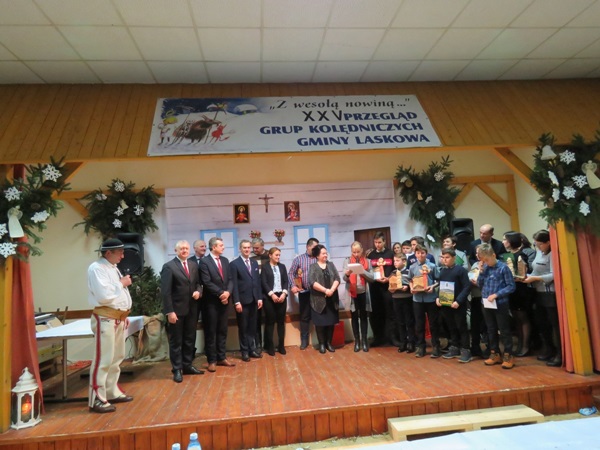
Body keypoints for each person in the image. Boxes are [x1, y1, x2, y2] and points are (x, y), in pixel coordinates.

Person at [87, 238, 134, 413]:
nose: (122, 256)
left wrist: (123, 314)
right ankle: (97, 399)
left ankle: (111, 391)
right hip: (105, 318)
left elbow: (117, 295)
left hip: (117, 317)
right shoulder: (97, 268)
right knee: (103, 359)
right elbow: (104, 296)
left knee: (116, 357)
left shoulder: (112, 267)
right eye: (120, 252)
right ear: (108, 253)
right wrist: (122, 283)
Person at [161, 240, 204, 383]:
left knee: (189, 339)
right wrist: (170, 312)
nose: (184, 251)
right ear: (176, 250)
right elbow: (166, 292)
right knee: (176, 341)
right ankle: (177, 369)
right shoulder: (169, 267)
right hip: (176, 311)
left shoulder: (193, 265)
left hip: (192, 309)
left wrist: (198, 292)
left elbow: (198, 284)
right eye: (182, 249)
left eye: (186, 248)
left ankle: (187, 365)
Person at [523, 230, 562, 367]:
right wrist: (526, 276)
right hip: (538, 292)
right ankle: (549, 349)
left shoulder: (553, 254)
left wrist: (536, 278)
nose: (538, 247)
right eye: (536, 244)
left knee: (554, 325)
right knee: (542, 323)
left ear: (548, 242)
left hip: (549, 292)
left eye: (540, 244)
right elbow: (535, 270)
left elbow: (553, 275)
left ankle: (560, 353)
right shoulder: (540, 252)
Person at [477, 243, 516, 369]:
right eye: (483, 261)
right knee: (491, 329)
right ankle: (495, 353)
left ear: (493, 255)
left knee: (504, 330)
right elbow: (479, 284)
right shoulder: (485, 268)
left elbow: (511, 286)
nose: (486, 263)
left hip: (500, 303)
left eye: (487, 260)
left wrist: (497, 294)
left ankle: (508, 355)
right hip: (486, 303)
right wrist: (481, 272)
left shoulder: (503, 268)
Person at [199, 237, 235, 372]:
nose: (223, 247)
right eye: (221, 245)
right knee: (211, 331)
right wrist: (221, 294)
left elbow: (230, 279)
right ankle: (212, 360)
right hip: (211, 303)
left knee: (222, 330)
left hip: (225, 301)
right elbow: (206, 282)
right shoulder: (204, 262)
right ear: (213, 247)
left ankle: (221, 357)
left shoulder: (225, 261)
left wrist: (228, 293)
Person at [436, 248, 472, 363]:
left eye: (447, 257)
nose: (444, 260)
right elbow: (441, 286)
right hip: (446, 304)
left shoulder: (461, 270)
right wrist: (438, 297)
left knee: (461, 326)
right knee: (451, 326)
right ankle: (455, 347)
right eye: (443, 257)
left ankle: (466, 349)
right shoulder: (442, 271)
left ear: (454, 258)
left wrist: (459, 301)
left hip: (457, 304)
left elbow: (467, 287)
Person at [230, 240, 263, 362]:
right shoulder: (234, 264)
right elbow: (234, 284)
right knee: (243, 327)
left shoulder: (254, 263)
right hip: (242, 301)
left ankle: (251, 349)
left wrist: (259, 298)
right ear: (240, 249)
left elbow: (257, 282)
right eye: (244, 247)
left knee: (252, 327)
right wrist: (236, 301)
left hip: (254, 300)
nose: (247, 249)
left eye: (249, 247)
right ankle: (244, 352)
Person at [501, 231, 532, 357]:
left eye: (505, 239)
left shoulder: (521, 255)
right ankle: (519, 344)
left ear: (511, 241)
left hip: (520, 289)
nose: (503, 242)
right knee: (516, 318)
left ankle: (525, 346)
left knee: (522, 317)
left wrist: (513, 278)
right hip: (511, 289)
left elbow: (523, 274)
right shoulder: (506, 255)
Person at [408, 244, 440, 358]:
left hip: (430, 298)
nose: (420, 255)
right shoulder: (412, 267)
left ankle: (436, 346)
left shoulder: (432, 266)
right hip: (417, 299)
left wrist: (433, 287)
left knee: (433, 324)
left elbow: (438, 280)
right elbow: (410, 280)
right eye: (418, 253)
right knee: (419, 324)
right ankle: (421, 346)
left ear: (426, 254)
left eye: (422, 253)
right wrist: (411, 288)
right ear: (415, 254)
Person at [309, 244, 341, 353]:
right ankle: (322, 344)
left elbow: (337, 278)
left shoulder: (331, 265)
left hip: (332, 299)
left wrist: (331, 290)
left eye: (326, 253)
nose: (325, 255)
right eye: (323, 253)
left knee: (331, 322)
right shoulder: (313, 267)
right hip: (318, 300)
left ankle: (329, 343)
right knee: (320, 323)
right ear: (317, 255)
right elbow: (312, 282)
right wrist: (325, 290)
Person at [342, 241, 374, 352]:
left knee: (364, 316)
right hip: (352, 293)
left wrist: (362, 271)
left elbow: (372, 277)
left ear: (362, 251)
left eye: (358, 252)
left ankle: (364, 340)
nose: (356, 254)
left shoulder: (367, 261)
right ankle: (357, 341)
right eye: (354, 252)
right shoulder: (347, 261)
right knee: (354, 316)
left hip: (364, 292)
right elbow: (344, 278)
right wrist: (347, 274)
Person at [288, 237, 319, 349]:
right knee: (304, 317)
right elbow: (291, 273)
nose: (316, 249)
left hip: (318, 293)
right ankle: (304, 341)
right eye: (314, 247)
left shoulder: (319, 258)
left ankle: (321, 341)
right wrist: (293, 285)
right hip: (304, 292)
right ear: (308, 247)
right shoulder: (299, 259)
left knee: (318, 316)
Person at [368, 231, 397, 347]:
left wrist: (388, 278)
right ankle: (378, 338)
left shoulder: (391, 254)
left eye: (379, 242)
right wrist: (376, 278)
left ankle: (392, 338)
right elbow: (369, 271)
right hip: (375, 288)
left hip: (388, 288)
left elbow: (395, 270)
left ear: (384, 242)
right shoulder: (371, 255)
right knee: (376, 313)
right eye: (375, 242)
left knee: (390, 312)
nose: (377, 245)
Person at [261, 247, 289, 356]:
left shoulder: (282, 267)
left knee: (281, 322)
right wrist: (271, 294)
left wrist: (284, 293)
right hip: (269, 298)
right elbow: (264, 282)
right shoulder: (265, 267)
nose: (278, 257)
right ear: (270, 255)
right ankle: (270, 346)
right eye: (276, 255)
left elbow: (286, 281)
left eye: (279, 255)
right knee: (270, 322)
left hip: (281, 296)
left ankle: (281, 346)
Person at [388, 253, 416, 353]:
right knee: (400, 321)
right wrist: (391, 289)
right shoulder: (393, 273)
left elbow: (412, 283)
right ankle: (403, 342)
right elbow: (390, 285)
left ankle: (411, 343)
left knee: (409, 321)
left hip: (406, 298)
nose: (395, 263)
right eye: (394, 261)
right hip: (396, 298)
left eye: (397, 261)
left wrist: (407, 287)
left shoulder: (408, 272)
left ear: (404, 261)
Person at [251, 237, 270, 351]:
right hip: (255, 291)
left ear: (263, 246)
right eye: (253, 248)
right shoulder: (250, 257)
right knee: (256, 319)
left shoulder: (269, 255)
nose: (255, 250)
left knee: (269, 318)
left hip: (268, 291)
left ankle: (268, 344)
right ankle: (258, 344)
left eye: (257, 248)